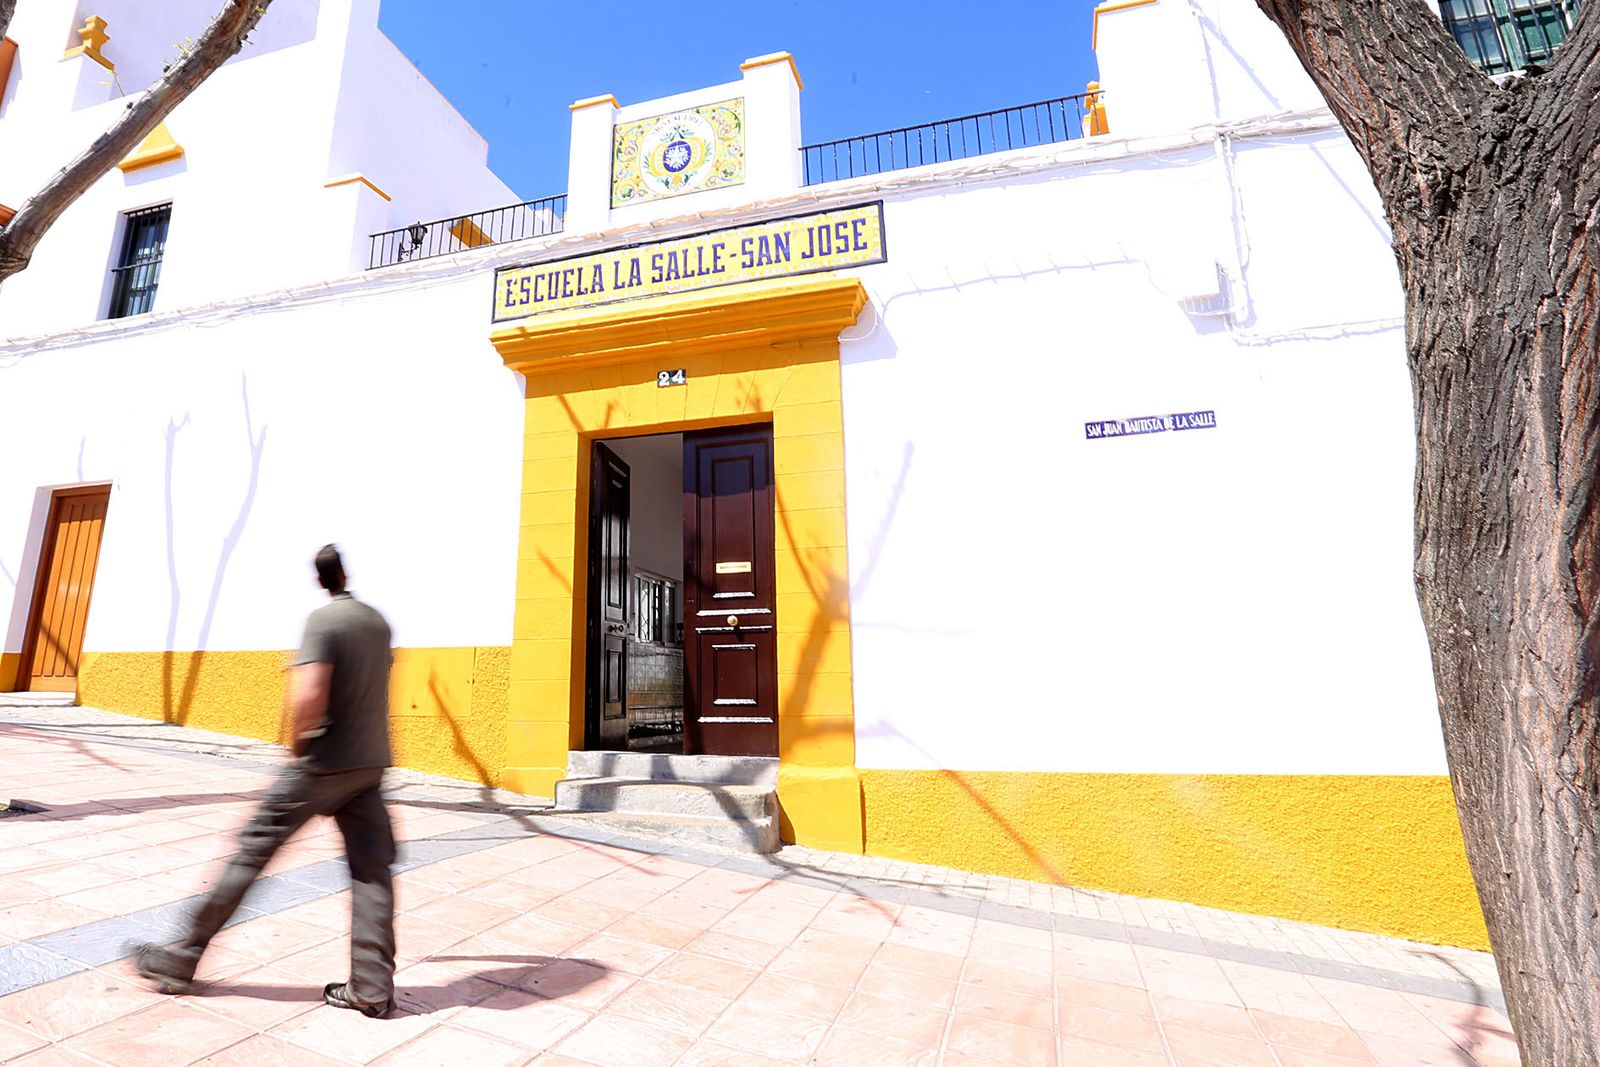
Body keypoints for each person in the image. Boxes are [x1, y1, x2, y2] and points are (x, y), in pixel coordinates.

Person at [129, 544, 398, 1017]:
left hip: (321, 765)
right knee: (372, 873)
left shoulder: (323, 622)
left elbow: (310, 693)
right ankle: (372, 989)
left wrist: (298, 744)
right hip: (369, 765)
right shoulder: (377, 623)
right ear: (345, 573)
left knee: (252, 851)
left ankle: (182, 956)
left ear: (321, 580)